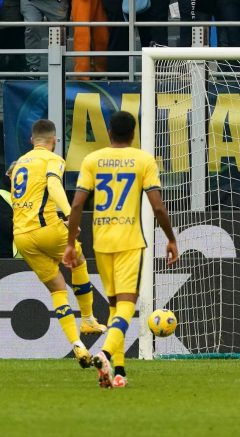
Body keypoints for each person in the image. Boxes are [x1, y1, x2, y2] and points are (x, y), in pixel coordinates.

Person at [64, 111, 178, 389]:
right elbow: (158, 207)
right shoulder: (143, 160)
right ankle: (104, 353)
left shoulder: (92, 160)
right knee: (127, 304)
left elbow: (77, 205)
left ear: (109, 133)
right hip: (129, 241)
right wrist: (171, 239)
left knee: (115, 306)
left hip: (101, 241)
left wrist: (69, 243)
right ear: (133, 134)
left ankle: (119, 371)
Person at [10, 119, 106, 368]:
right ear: (54, 141)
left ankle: (77, 344)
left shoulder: (19, 163)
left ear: (32, 140)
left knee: (57, 288)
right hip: (46, 228)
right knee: (78, 260)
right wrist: (71, 215)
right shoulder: (53, 159)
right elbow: (53, 184)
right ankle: (88, 319)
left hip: (21, 235)